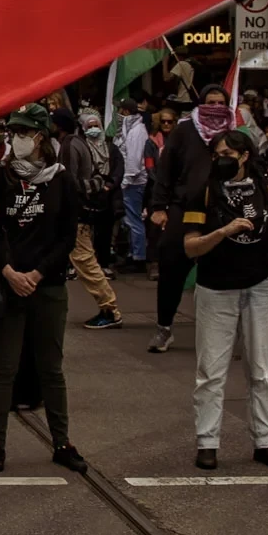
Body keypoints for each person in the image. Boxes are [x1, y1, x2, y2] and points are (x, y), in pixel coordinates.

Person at [0, 104, 89, 474]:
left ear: (40, 138)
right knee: (2, 367)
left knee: (50, 368)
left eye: (23, 133)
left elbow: (67, 237)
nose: (16, 140)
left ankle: (62, 442)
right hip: (8, 287)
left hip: (47, 286)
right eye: (13, 133)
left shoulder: (63, 181)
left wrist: (36, 274)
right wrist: (8, 271)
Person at [182, 129, 268, 471]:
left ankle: (264, 441)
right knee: (211, 370)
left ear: (244, 156)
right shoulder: (203, 193)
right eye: (216, 153)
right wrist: (222, 232)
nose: (222, 159)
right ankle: (207, 442)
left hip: (262, 286)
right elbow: (190, 246)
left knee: (260, 370)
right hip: (215, 288)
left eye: (228, 153)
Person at [148, 85, 233, 352]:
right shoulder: (184, 130)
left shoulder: (233, 133)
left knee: (227, 270)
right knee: (171, 262)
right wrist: (159, 206)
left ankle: (227, 335)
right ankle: (164, 328)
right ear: (200, 104)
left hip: (221, 210)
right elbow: (165, 170)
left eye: (221, 103)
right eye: (211, 102)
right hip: (183, 208)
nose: (216, 108)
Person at [55, 108, 122, 330]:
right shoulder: (79, 143)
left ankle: (109, 309)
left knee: (84, 260)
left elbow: (69, 181)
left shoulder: (69, 145)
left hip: (77, 212)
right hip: (81, 209)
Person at [117, 98, 152, 273]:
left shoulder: (137, 132)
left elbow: (134, 160)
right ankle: (133, 253)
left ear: (125, 112)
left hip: (134, 182)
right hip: (132, 181)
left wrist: (124, 182)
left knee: (134, 220)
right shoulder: (131, 129)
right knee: (131, 219)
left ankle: (138, 257)